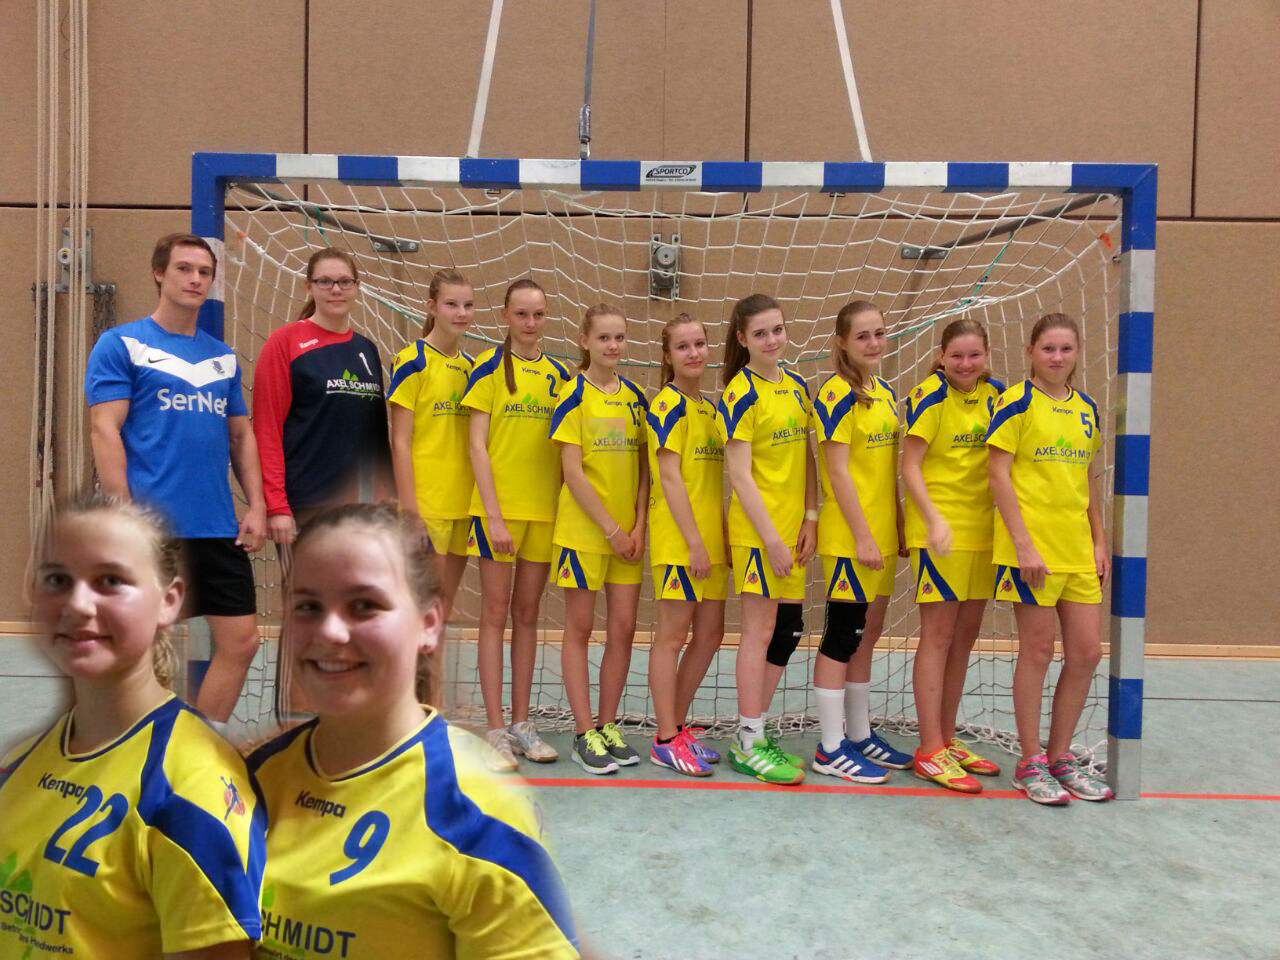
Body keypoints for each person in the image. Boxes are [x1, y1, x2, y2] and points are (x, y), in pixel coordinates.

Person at [246, 504, 579, 959]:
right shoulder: (255, 778)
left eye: (365, 605)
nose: (330, 631)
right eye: (308, 607)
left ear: (429, 624)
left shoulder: (479, 814)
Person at [0, 492, 263, 958]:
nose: (78, 604)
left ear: (169, 601)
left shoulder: (191, 788)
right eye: (57, 579)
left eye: (110, 580)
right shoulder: (20, 764)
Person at [86, 232, 266, 724]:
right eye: (184, 269)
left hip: (216, 527)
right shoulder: (122, 344)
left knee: (242, 641)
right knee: (141, 647)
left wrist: (257, 505)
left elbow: (240, 436)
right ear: (159, 273)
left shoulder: (222, 358)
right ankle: (127, 741)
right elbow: (105, 429)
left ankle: (194, 742)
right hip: (153, 529)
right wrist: (125, 515)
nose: (195, 279)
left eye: (204, 272)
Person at [987, 312, 1113, 805]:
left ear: (1077, 352)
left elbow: (1086, 480)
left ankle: (1061, 757)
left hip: (1076, 550)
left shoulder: (1087, 409)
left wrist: (1098, 540)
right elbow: (998, 476)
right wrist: (1022, 544)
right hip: (1032, 552)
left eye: (1066, 349)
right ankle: (1030, 761)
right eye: (1048, 348)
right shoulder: (1015, 403)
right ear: (1031, 352)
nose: (1057, 357)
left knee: (1086, 653)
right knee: (1037, 651)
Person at [462, 280, 571, 770]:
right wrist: (493, 515)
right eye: (522, 314)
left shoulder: (559, 376)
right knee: (493, 614)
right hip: (498, 514)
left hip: (543, 513)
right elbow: (476, 446)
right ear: (505, 315)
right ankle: (494, 729)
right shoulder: (487, 369)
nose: (530, 323)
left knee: (527, 615)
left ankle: (523, 723)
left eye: (539, 314)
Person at [901, 318, 1005, 792]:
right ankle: (929, 750)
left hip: (983, 533)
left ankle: (945, 738)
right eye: (957, 356)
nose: (965, 364)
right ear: (941, 356)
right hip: (939, 534)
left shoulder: (996, 395)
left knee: (965, 637)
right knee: (938, 636)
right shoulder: (929, 396)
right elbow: (910, 467)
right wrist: (933, 520)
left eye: (974, 355)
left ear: (987, 355)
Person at [717, 294, 817, 786]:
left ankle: (754, 731)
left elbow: (808, 459)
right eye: (760, 333)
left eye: (777, 329)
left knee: (787, 630)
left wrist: (811, 517)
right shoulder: (739, 393)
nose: (772, 339)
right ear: (742, 339)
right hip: (759, 535)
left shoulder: (796, 386)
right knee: (758, 632)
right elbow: (740, 476)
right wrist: (772, 539)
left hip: (793, 532)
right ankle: (748, 738)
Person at [810, 300, 911, 783]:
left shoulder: (885, 393)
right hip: (851, 541)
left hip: (883, 537)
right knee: (842, 637)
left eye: (879, 333)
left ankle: (859, 733)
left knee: (867, 636)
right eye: (863, 336)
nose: (873, 343)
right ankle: (830, 748)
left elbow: (887, 470)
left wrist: (899, 523)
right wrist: (865, 536)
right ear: (842, 342)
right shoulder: (835, 395)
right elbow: (837, 473)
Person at [549, 305, 650, 775]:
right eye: (604, 337)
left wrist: (638, 525)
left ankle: (609, 725)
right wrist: (610, 530)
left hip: (627, 538)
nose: (613, 346)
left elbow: (645, 469)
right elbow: (572, 472)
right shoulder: (572, 395)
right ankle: (583, 731)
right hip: (584, 534)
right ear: (585, 340)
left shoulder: (635, 398)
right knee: (580, 627)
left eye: (620, 337)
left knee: (623, 628)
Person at [252, 246, 391, 547]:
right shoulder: (285, 343)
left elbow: (377, 436)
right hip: (307, 506)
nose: (336, 289)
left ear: (357, 286)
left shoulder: (367, 349)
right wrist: (276, 506)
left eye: (344, 281)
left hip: (364, 510)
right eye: (325, 281)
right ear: (308, 286)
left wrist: (389, 497)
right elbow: (267, 430)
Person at [645, 313, 726, 776]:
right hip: (681, 542)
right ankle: (664, 738)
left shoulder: (709, 410)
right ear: (667, 355)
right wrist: (694, 541)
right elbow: (670, 478)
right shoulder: (667, 406)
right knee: (672, 637)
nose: (694, 353)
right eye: (683, 346)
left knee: (711, 634)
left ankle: (677, 725)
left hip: (712, 543)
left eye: (699, 343)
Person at [388, 268, 477, 622]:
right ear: (432, 306)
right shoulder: (411, 361)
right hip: (427, 504)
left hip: (463, 505)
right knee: (421, 610)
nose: (461, 313)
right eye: (452, 304)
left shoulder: (472, 368)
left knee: (443, 610)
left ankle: (431, 665)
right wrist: (411, 511)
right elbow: (399, 441)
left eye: (468, 305)